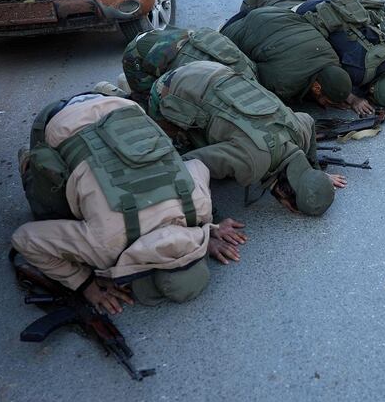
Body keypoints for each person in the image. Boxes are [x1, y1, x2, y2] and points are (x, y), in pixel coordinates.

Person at [13, 94, 247, 315]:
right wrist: (84, 282)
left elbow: (197, 165)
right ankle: (28, 165)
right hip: (54, 121)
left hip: (120, 108)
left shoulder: (198, 207)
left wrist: (206, 227)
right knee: (47, 212)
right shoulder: (105, 247)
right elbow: (24, 239)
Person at [148, 61, 347, 216]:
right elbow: (188, 164)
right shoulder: (251, 163)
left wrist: (312, 171)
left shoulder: (298, 134)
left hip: (216, 71)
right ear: (286, 198)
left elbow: (309, 120)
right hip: (170, 86)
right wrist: (212, 222)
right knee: (168, 155)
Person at [221, 5, 370, 114]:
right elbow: (254, 80)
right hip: (239, 28)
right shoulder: (284, 83)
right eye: (327, 101)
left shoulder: (331, 58)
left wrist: (352, 99)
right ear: (317, 88)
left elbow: (332, 77)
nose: (326, 105)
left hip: (274, 11)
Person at [296, 0, 385, 109]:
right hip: (308, 10)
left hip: (339, 4)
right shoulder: (357, 75)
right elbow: (336, 84)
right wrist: (354, 100)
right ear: (371, 89)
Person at [120, 27, 256, 103]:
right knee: (147, 102)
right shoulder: (247, 80)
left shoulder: (250, 77)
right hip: (141, 53)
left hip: (183, 38)